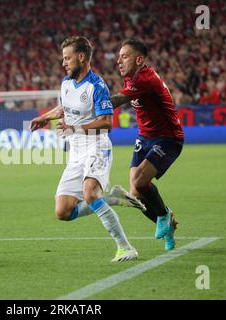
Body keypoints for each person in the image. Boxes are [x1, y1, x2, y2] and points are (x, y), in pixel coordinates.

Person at [30, 36, 145, 262]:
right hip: (75, 151)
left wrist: (75, 127)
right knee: (63, 212)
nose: (64, 63)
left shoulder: (97, 85)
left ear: (81, 57)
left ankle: (125, 247)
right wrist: (45, 117)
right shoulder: (66, 83)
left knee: (90, 194)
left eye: (67, 58)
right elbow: (65, 107)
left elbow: (106, 122)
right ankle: (111, 198)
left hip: (96, 145)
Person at [109, 39, 184, 251]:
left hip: (168, 138)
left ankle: (164, 214)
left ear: (139, 59)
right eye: (119, 56)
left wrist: (86, 103)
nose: (119, 61)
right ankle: (168, 224)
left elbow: (115, 101)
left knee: (140, 182)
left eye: (124, 56)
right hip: (146, 136)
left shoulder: (144, 78)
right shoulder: (132, 77)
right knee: (135, 195)